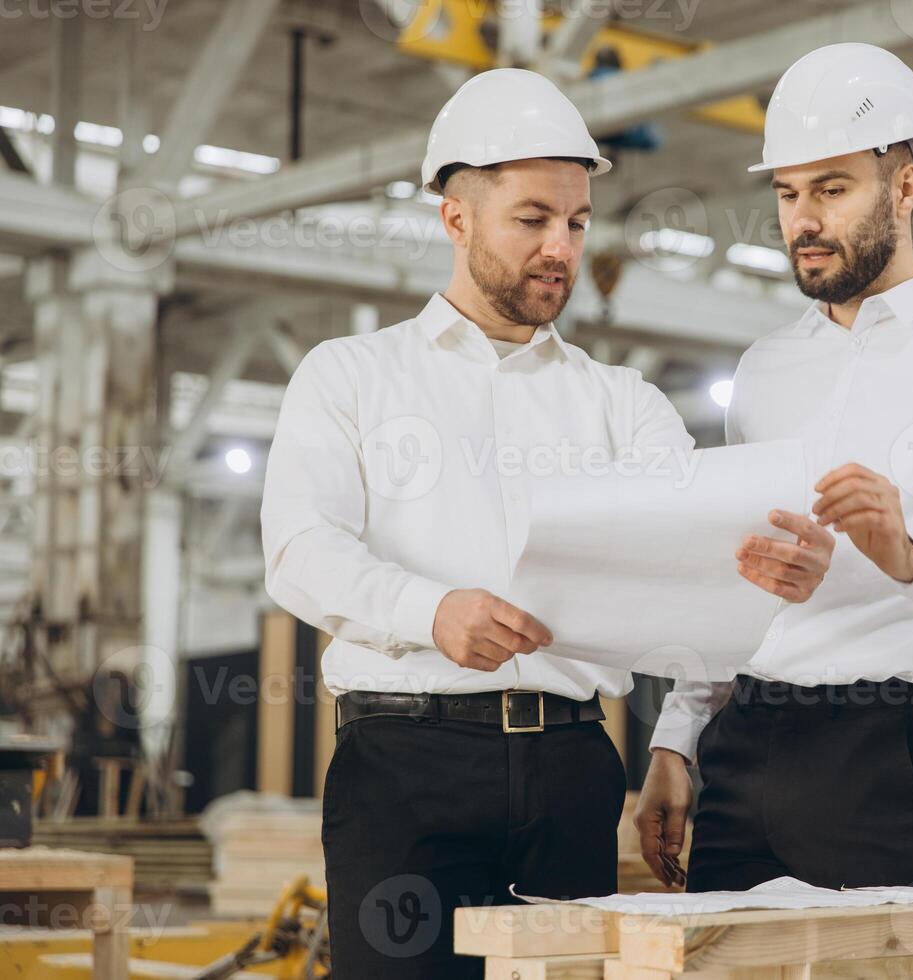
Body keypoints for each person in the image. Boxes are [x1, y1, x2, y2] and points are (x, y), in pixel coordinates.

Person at [260, 69, 832, 978]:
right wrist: (430, 611)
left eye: (576, 222)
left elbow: (701, 566)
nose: (559, 247)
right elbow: (300, 550)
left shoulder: (624, 405)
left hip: (570, 767)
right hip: (404, 767)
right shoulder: (349, 376)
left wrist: (680, 734)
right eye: (531, 219)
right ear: (455, 218)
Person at [635, 43, 913, 892]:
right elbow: (740, 580)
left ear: (905, 186)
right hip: (746, 749)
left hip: (891, 762)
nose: (803, 220)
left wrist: (910, 558)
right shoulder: (764, 368)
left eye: (832, 190)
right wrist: (676, 739)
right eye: (788, 193)